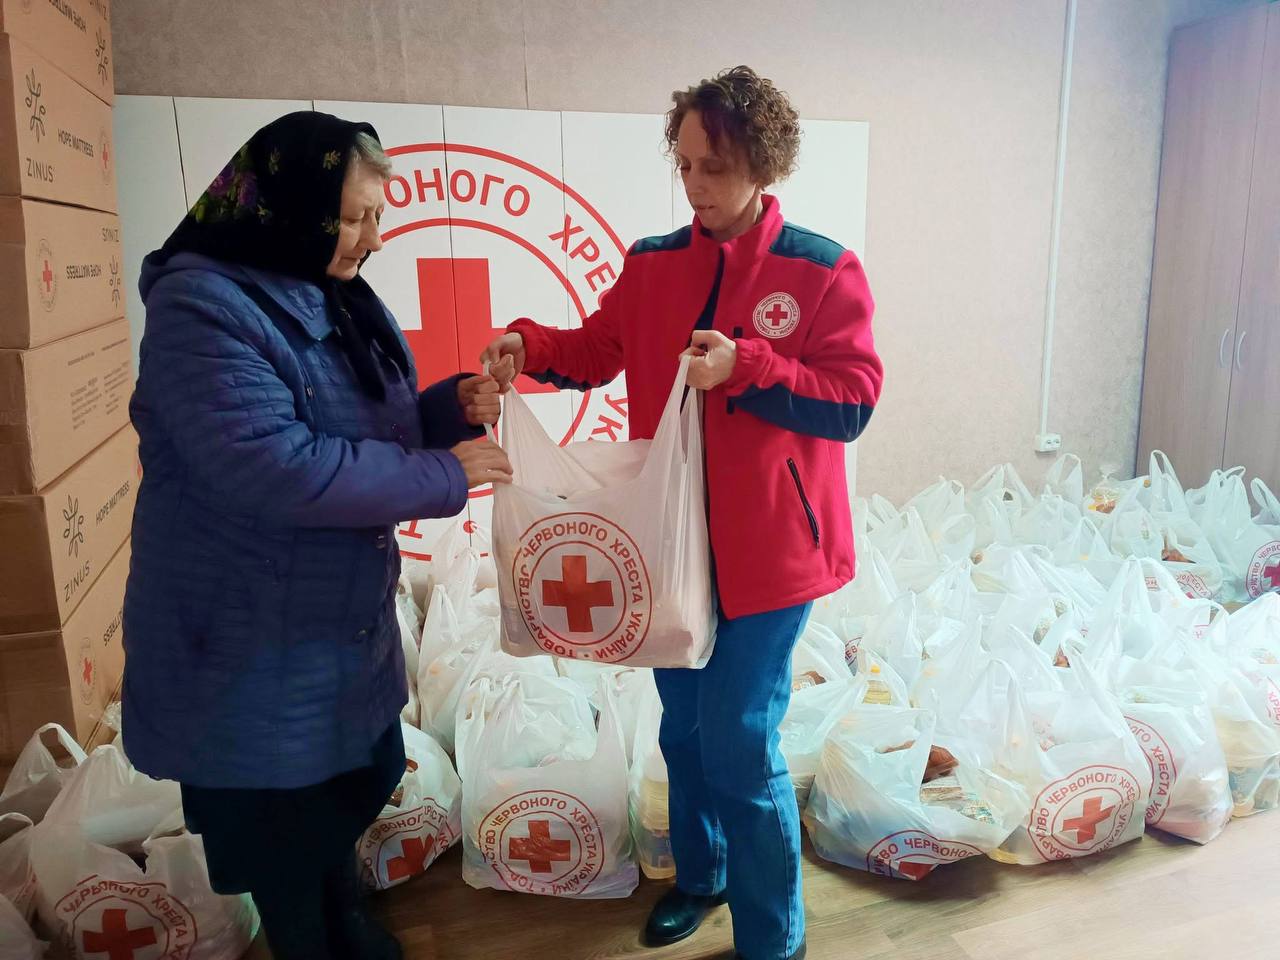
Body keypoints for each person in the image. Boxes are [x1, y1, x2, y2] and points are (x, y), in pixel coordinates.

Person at [483, 66, 883, 960]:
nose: (696, 185)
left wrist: (750, 366)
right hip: (668, 547)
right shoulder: (653, 264)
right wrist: (528, 345)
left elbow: (853, 400)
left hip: (773, 557)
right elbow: (597, 348)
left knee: (740, 739)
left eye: (717, 167)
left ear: (763, 166)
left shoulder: (821, 271)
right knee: (686, 730)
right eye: (687, 164)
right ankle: (702, 878)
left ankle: (773, 938)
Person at [123, 112, 512, 960]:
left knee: (345, 794)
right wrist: (446, 475)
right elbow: (279, 467)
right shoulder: (201, 308)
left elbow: (361, 422)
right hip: (243, 633)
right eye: (353, 218)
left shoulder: (328, 288)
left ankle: (347, 927)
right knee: (282, 839)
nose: (373, 239)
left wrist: (447, 409)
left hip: (329, 622)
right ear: (286, 206)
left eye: (378, 216)